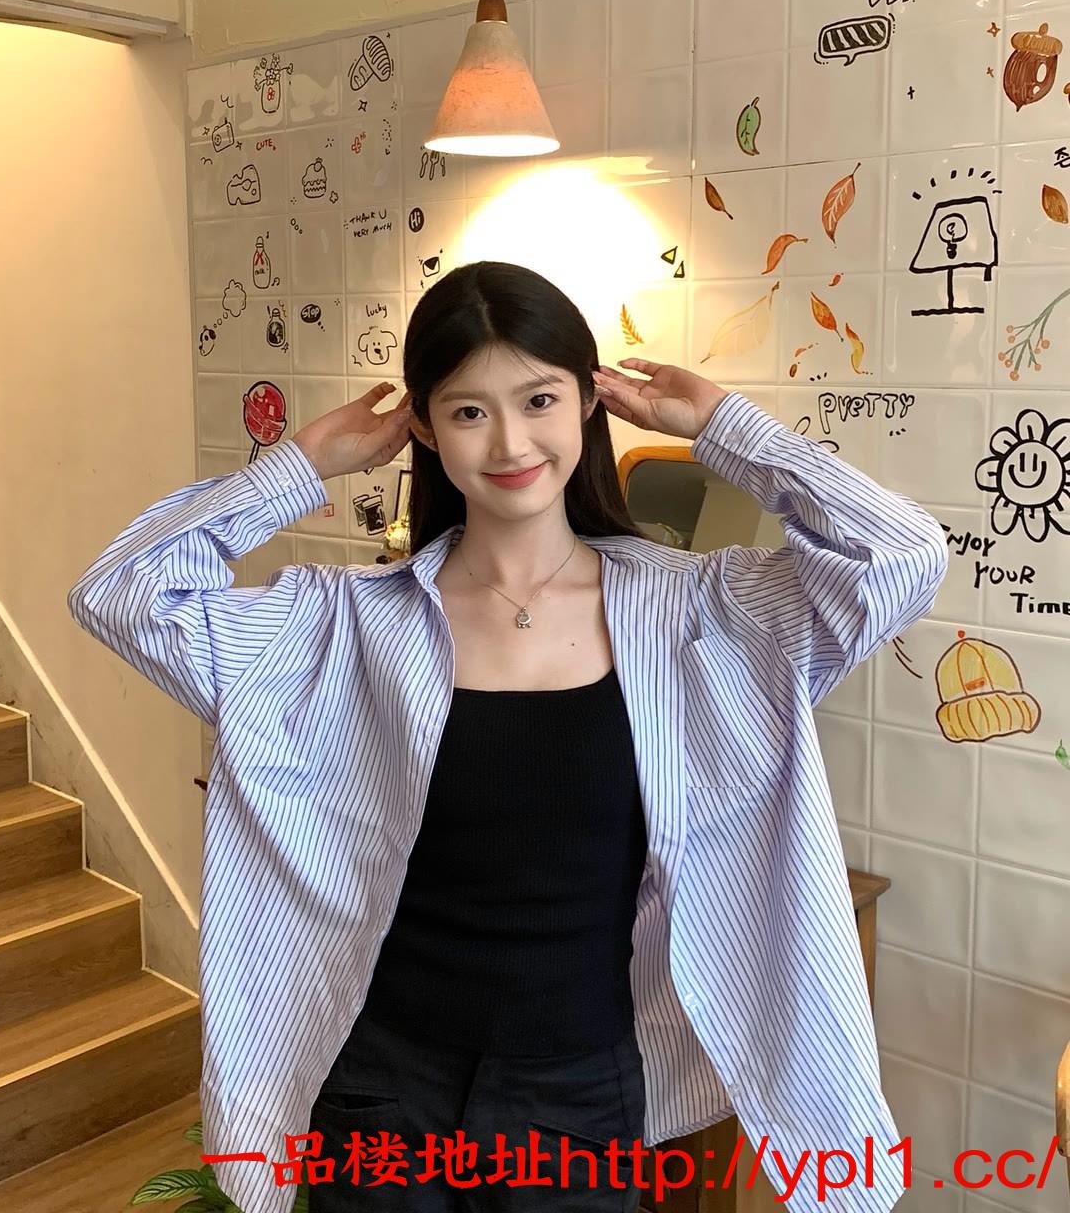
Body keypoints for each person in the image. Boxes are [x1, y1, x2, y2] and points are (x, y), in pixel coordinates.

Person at [67, 260, 948, 1213]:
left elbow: (901, 557)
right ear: (423, 429)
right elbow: (120, 595)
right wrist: (305, 461)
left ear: (589, 404)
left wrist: (725, 428)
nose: (510, 442)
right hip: (380, 1090)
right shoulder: (340, 625)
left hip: (580, 1095)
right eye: (468, 411)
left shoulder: (706, 613)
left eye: (539, 399)